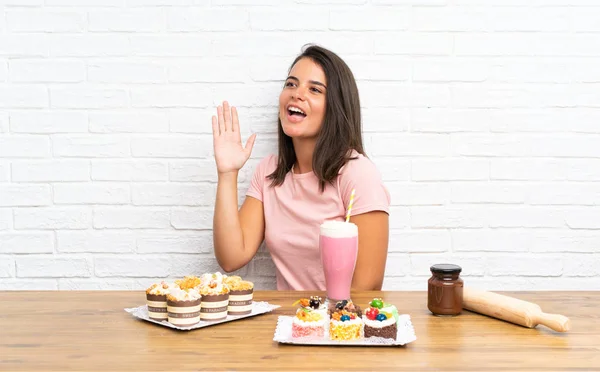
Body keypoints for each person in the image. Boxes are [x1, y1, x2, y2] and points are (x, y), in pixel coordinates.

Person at [211, 44, 390, 291]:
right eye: (291, 84)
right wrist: (228, 173)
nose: (296, 94)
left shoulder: (357, 175)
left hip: (338, 324)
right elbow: (231, 258)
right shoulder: (269, 173)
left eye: (314, 89)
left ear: (335, 107)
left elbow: (366, 290)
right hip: (287, 325)